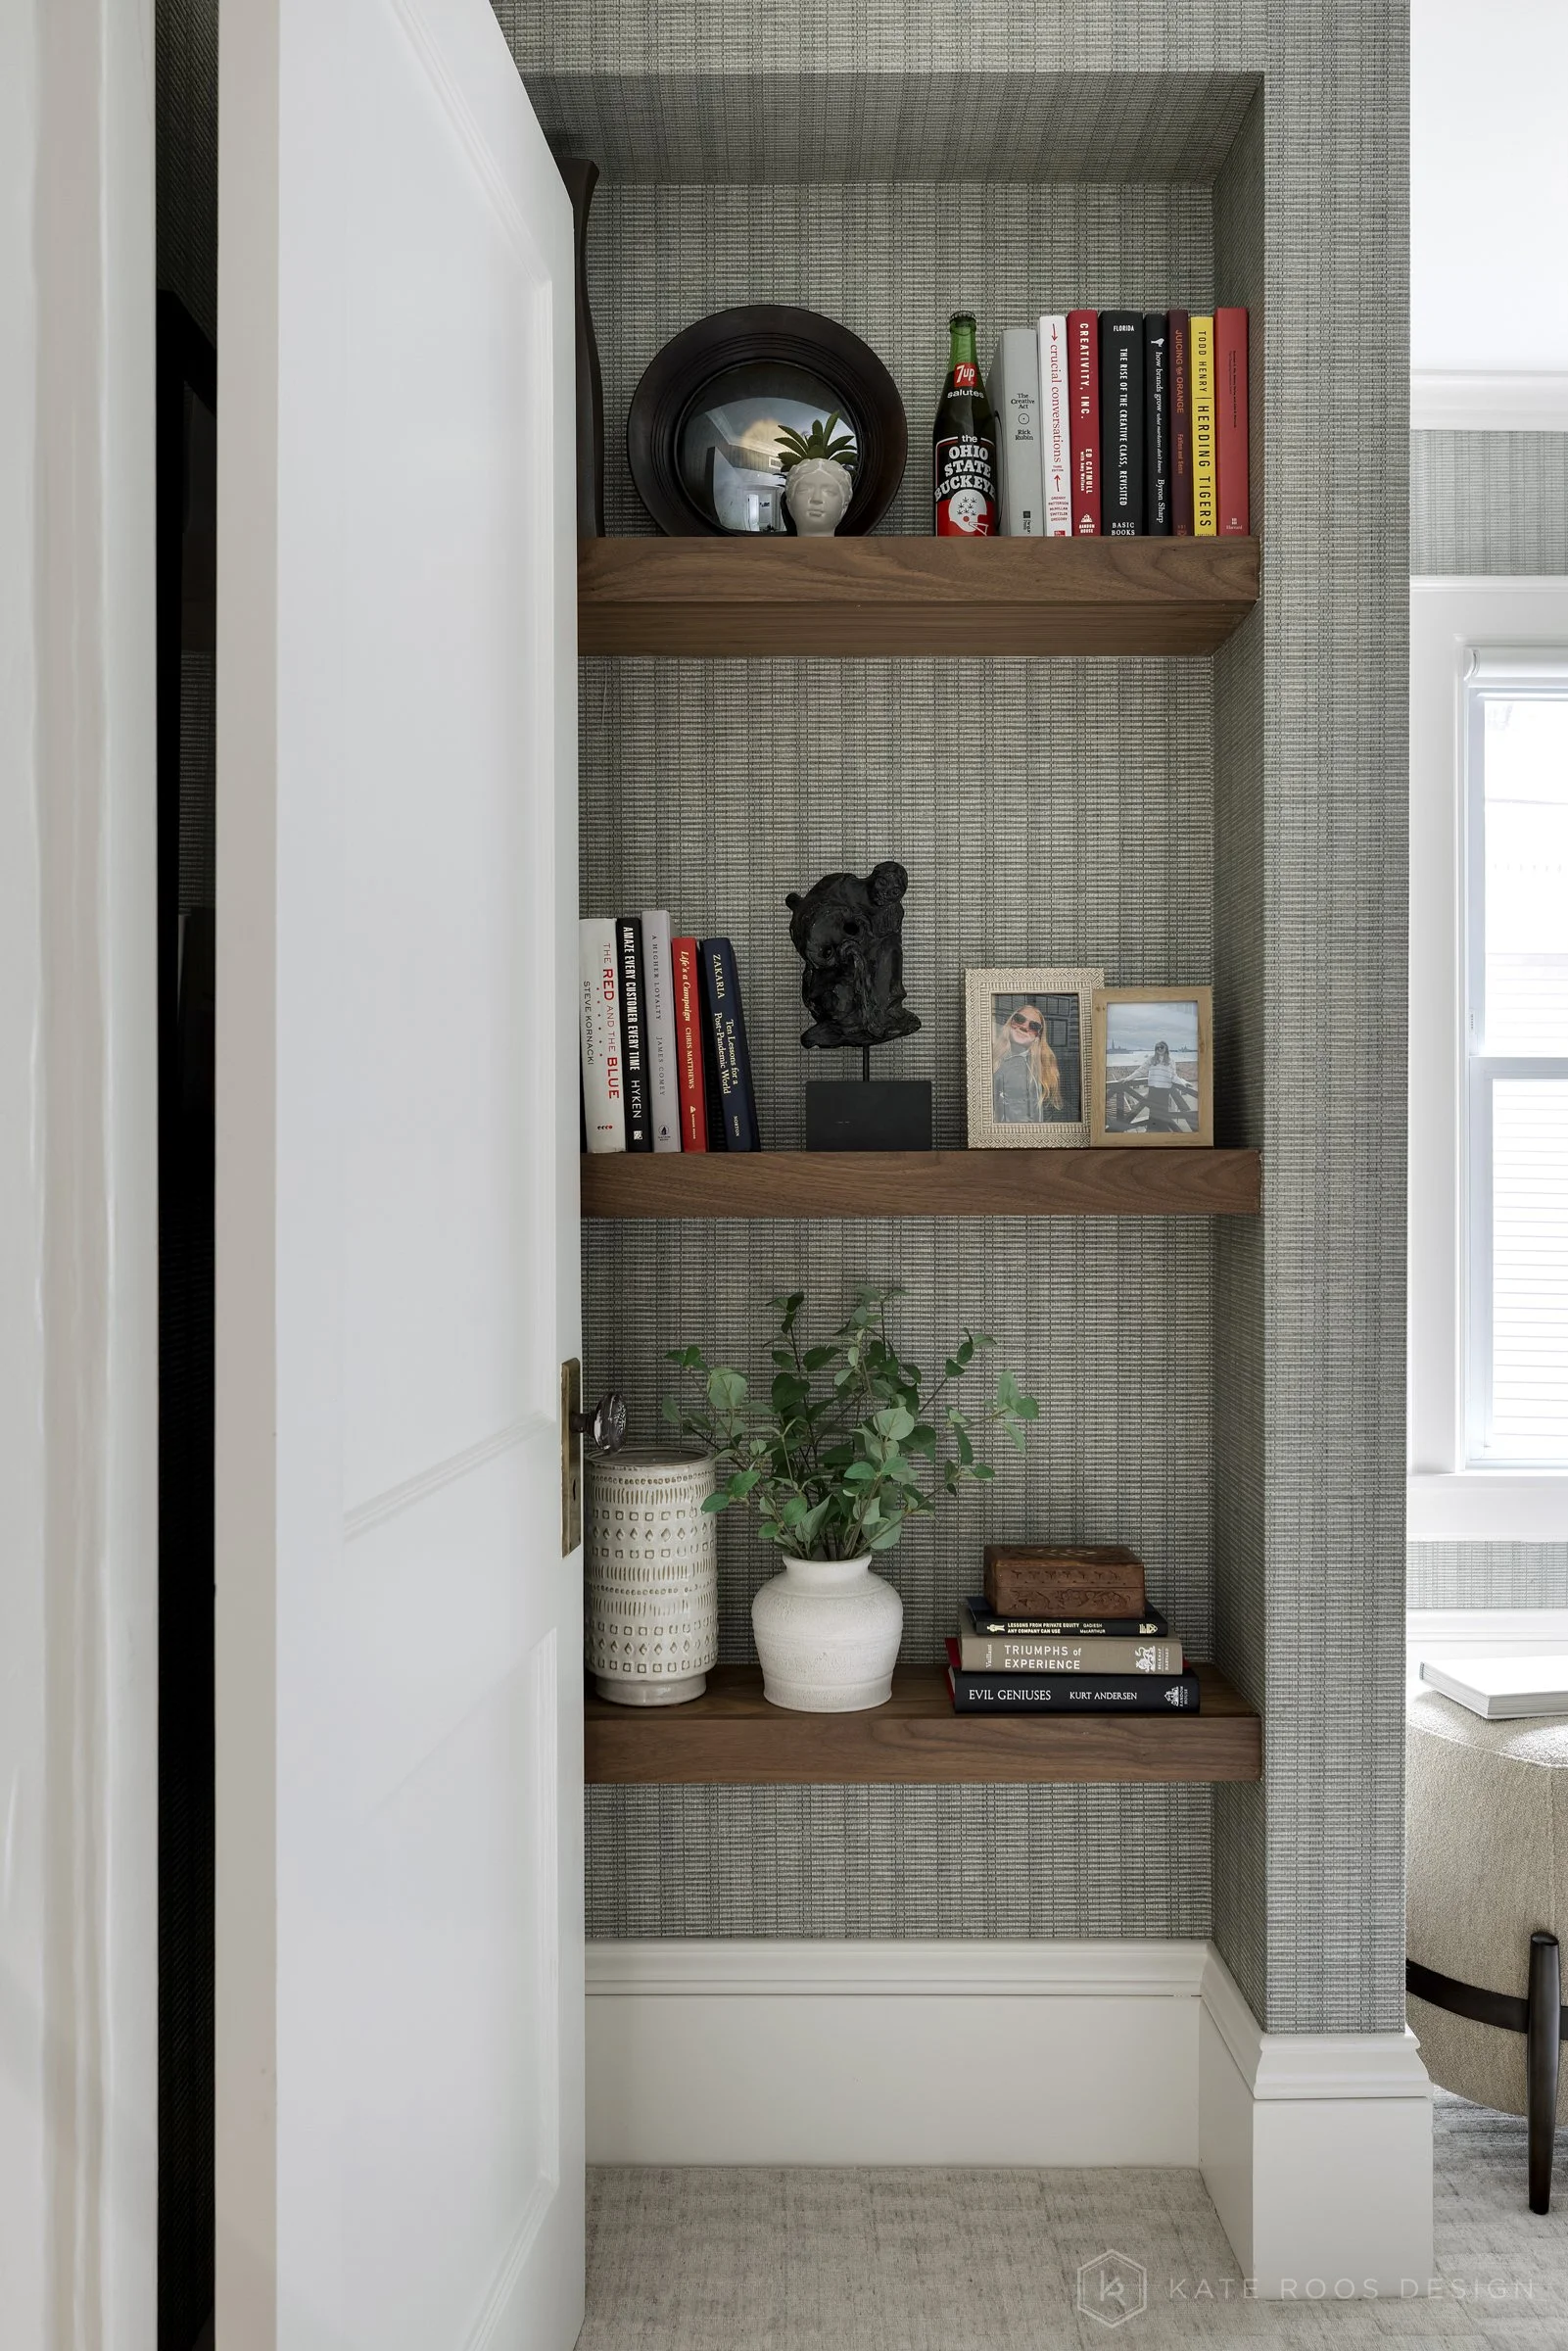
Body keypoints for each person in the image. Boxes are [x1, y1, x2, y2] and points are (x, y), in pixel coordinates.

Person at [992, 999, 1063, 1124]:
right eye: (1019, 1019)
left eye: (1034, 1026)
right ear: (1011, 1022)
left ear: (1038, 1036)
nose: (1024, 1027)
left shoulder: (1045, 1069)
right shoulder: (989, 1056)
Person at [1143, 1040, 1176, 1131]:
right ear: (1155, 1049)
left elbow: (1174, 1076)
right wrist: (1127, 1079)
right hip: (1153, 1090)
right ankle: (1151, 1132)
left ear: (1166, 1048)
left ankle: (1163, 1133)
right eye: (1157, 1047)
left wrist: (1184, 1082)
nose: (1160, 1049)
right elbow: (1140, 1071)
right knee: (1153, 1113)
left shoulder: (1171, 1062)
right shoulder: (1151, 1059)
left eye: (1162, 1047)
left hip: (1164, 1091)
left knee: (1163, 1113)